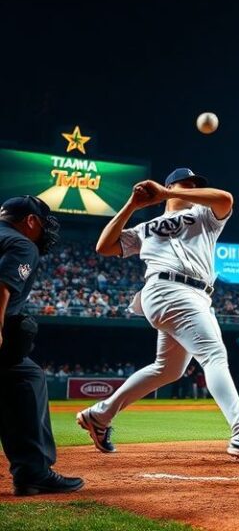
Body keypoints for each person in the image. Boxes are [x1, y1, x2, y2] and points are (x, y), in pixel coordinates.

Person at [76, 168, 239, 462]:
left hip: (190, 294)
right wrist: (132, 205)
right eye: (187, 183)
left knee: (167, 369)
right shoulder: (145, 228)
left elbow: (225, 198)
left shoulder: (204, 215)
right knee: (213, 355)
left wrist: (166, 193)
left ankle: (100, 415)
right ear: (172, 185)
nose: (193, 187)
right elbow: (104, 246)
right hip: (169, 290)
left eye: (196, 184)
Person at [0, 195, 84, 496]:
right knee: (27, 377)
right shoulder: (21, 243)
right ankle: (33, 473)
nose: (46, 230)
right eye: (43, 223)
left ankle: (31, 472)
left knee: (21, 375)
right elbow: (2, 286)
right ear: (31, 221)